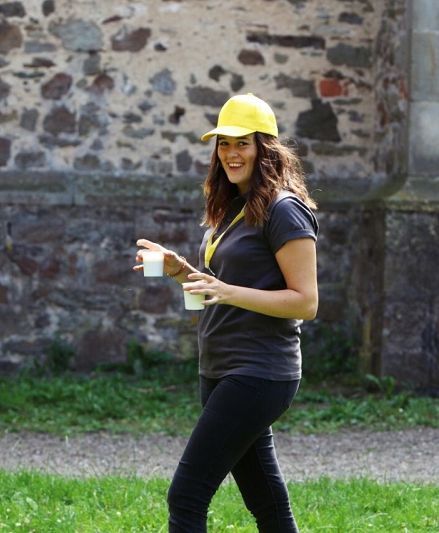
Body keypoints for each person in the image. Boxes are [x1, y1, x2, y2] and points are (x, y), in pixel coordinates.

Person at [134, 93, 319, 532]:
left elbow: (305, 302)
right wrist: (181, 271)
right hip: (221, 368)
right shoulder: (236, 206)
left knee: (187, 494)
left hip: (258, 372)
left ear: (264, 148)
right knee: (266, 503)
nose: (231, 153)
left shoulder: (284, 210)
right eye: (224, 144)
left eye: (242, 143)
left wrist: (226, 290)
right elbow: (222, 289)